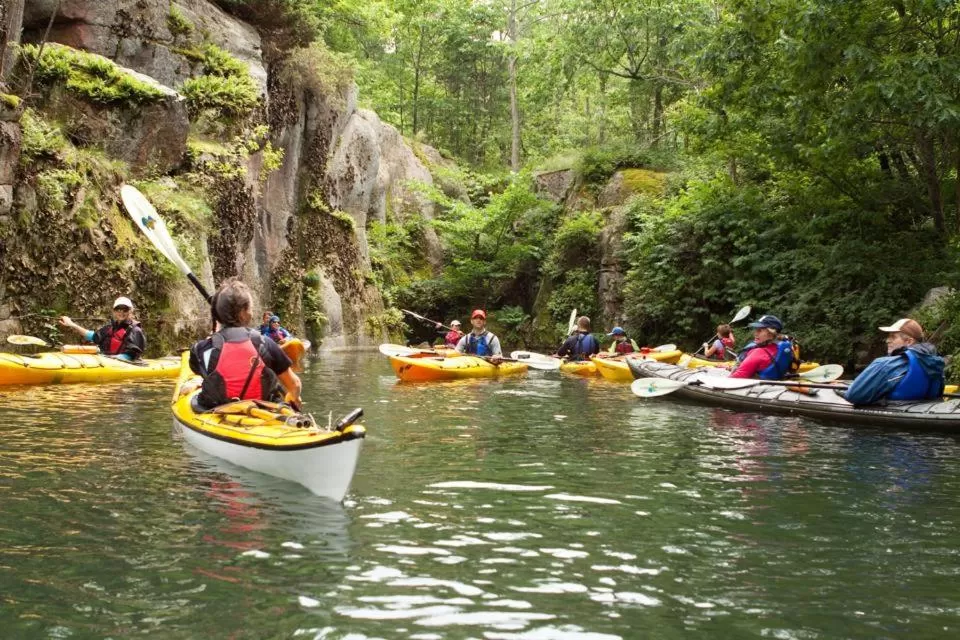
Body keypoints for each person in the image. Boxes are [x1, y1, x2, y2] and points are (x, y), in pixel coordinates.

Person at [188, 279, 302, 411]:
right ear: (243, 312)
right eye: (250, 308)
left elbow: (201, 370)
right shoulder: (266, 343)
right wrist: (293, 397)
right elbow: (295, 385)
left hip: (215, 412)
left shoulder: (201, 349)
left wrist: (215, 334)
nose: (252, 312)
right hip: (263, 412)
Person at [844, 318, 944, 405]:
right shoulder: (934, 364)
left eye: (893, 337)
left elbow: (853, 395)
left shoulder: (884, 364)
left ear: (909, 341)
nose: (887, 340)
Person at [59, 296, 146, 361]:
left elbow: (131, 355)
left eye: (125, 310)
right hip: (106, 362)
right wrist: (72, 324)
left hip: (122, 366)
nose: (121, 312)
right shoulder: (110, 328)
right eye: (118, 309)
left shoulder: (135, 330)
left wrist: (109, 358)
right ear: (114, 311)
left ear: (131, 311)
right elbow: (92, 336)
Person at [729, 314, 797, 379]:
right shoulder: (779, 349)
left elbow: (734, 378)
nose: (755, 334)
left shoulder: (758, 352)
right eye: (756, 330)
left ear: (771, 334)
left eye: (759, 330)